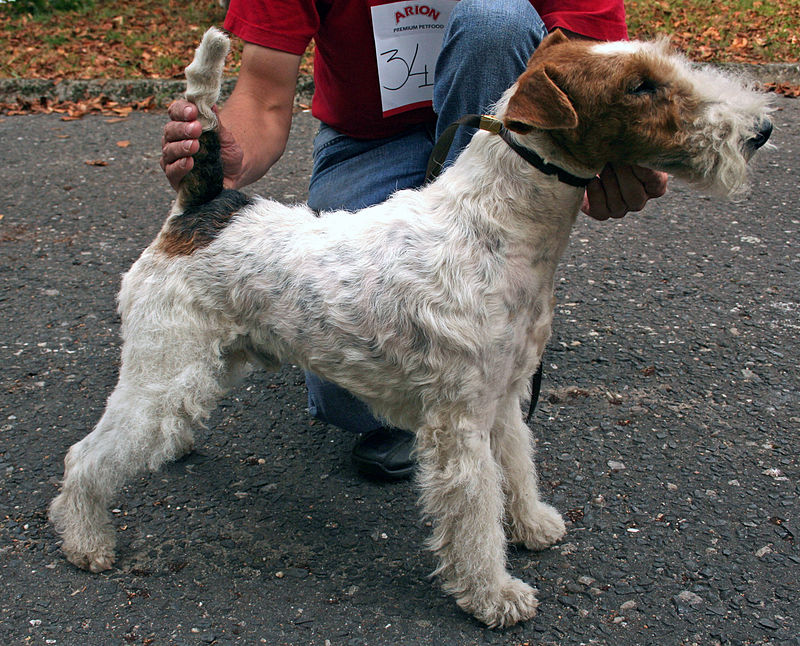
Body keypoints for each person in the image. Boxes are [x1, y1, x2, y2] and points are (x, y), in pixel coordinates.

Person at [161, 0, 668, 480]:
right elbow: (264, 95)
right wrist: (231, 156)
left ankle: (482, 325)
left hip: (503, 139)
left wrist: (613, 159)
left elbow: (599, 75)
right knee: (351, 391)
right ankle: (476, 342)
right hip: (370, 142)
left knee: (496, 20)